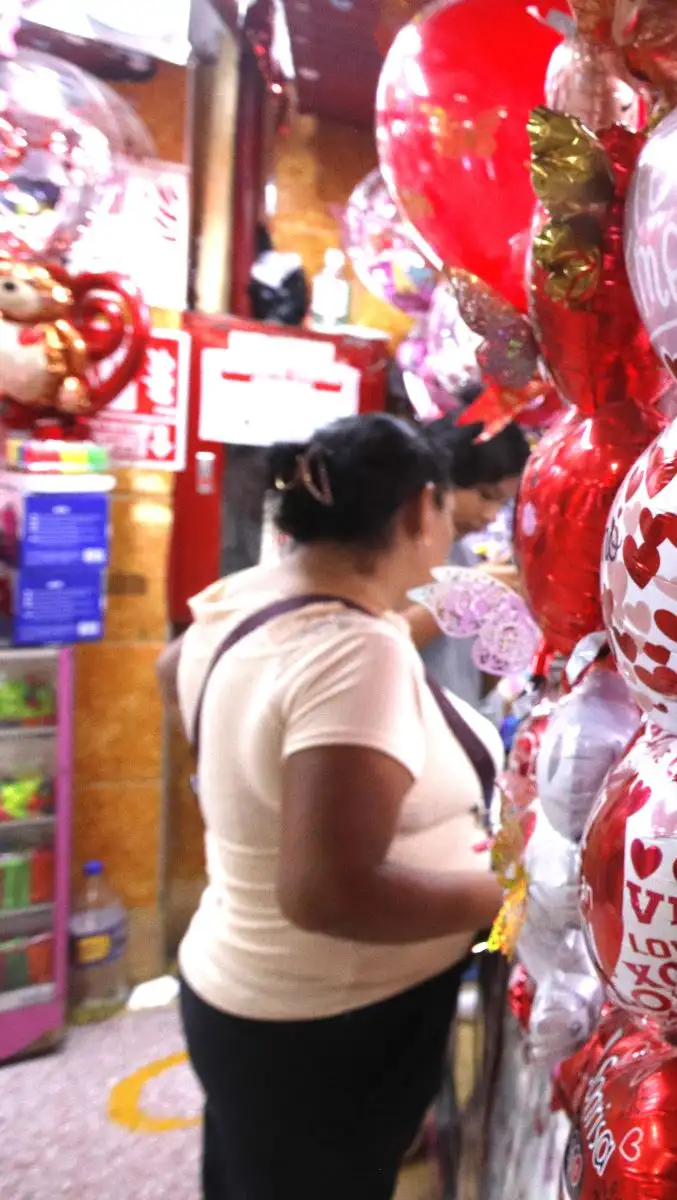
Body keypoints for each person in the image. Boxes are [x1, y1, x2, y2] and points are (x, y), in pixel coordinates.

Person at [156, 413, 504, 1200]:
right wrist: (520, 895)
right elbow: (327, 892)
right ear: (422, 509)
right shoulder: (357, 653)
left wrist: (242, 801)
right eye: (449, 510)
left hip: (246, 995)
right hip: (327, 1026)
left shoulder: (250, 599)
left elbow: (171, 667)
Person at [401, 415, 530, 706]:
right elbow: (378, 642)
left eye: (501, 503)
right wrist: (467, 590)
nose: (490, 516)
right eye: (485, 496)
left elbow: (469, 683)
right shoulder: (398, 553)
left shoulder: (463, 556)